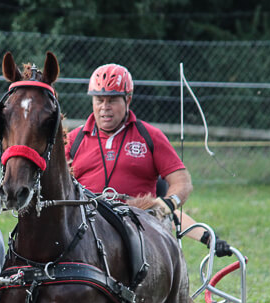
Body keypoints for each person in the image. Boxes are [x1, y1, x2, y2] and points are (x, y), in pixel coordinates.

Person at [66, 63, 231, 257]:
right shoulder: (73, 140)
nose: (104, 107)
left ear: (128, 99)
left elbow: (182, 182)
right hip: (86, 228)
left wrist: (169, 205)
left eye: (112, 100)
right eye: (99, 100)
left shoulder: (150, 136)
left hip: (138, 228)